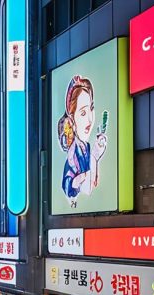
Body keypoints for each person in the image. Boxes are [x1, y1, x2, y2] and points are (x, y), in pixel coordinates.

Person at [57, 75, 107, 208]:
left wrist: (95, 155)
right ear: (72, 120)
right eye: (83, 113)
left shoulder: (88, 147)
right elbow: (75, 187)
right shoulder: (72, 156)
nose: (90, 119)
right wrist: (78, 180)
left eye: (91, 108)